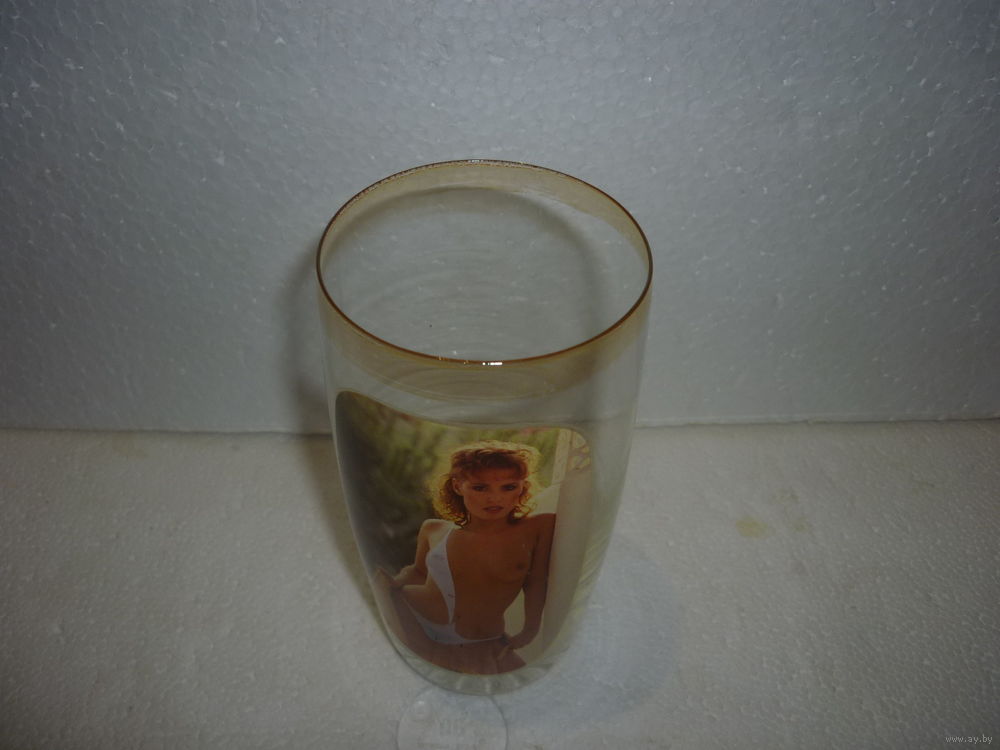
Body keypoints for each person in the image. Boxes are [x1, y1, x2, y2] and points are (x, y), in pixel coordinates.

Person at [374, 440, 556, 675]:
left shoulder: (539, 527)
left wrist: (530, 629)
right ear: (458, 486)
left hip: (483, 639)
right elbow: (419, 572)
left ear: (522, 487)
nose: (495, 498)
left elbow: (536, 581)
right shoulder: (434, 529)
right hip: (413, 616)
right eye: (480, 488)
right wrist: (394, 583)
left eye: (508, 487)